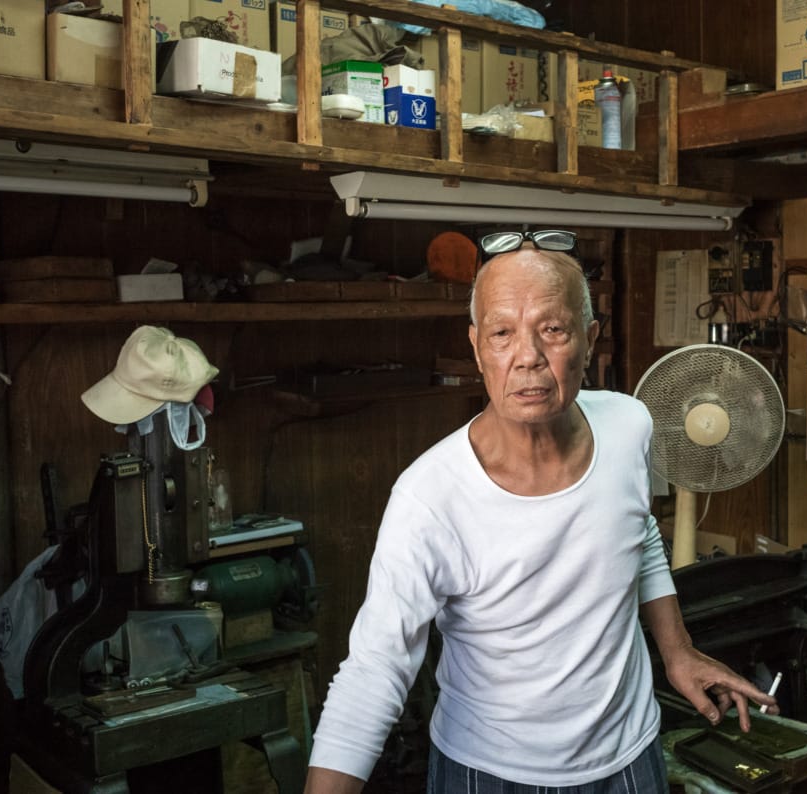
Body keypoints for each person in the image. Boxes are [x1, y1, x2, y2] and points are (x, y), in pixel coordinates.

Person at [305, 231, 776, 794]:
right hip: (489, 772)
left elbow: (639, 533)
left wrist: (677, 652)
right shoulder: (430, 497)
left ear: (590, 339)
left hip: (631, 757)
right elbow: (375, 670)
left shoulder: (629, 426)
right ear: (478, 347)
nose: (527, 356)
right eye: (502, 333)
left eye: (552, 329)